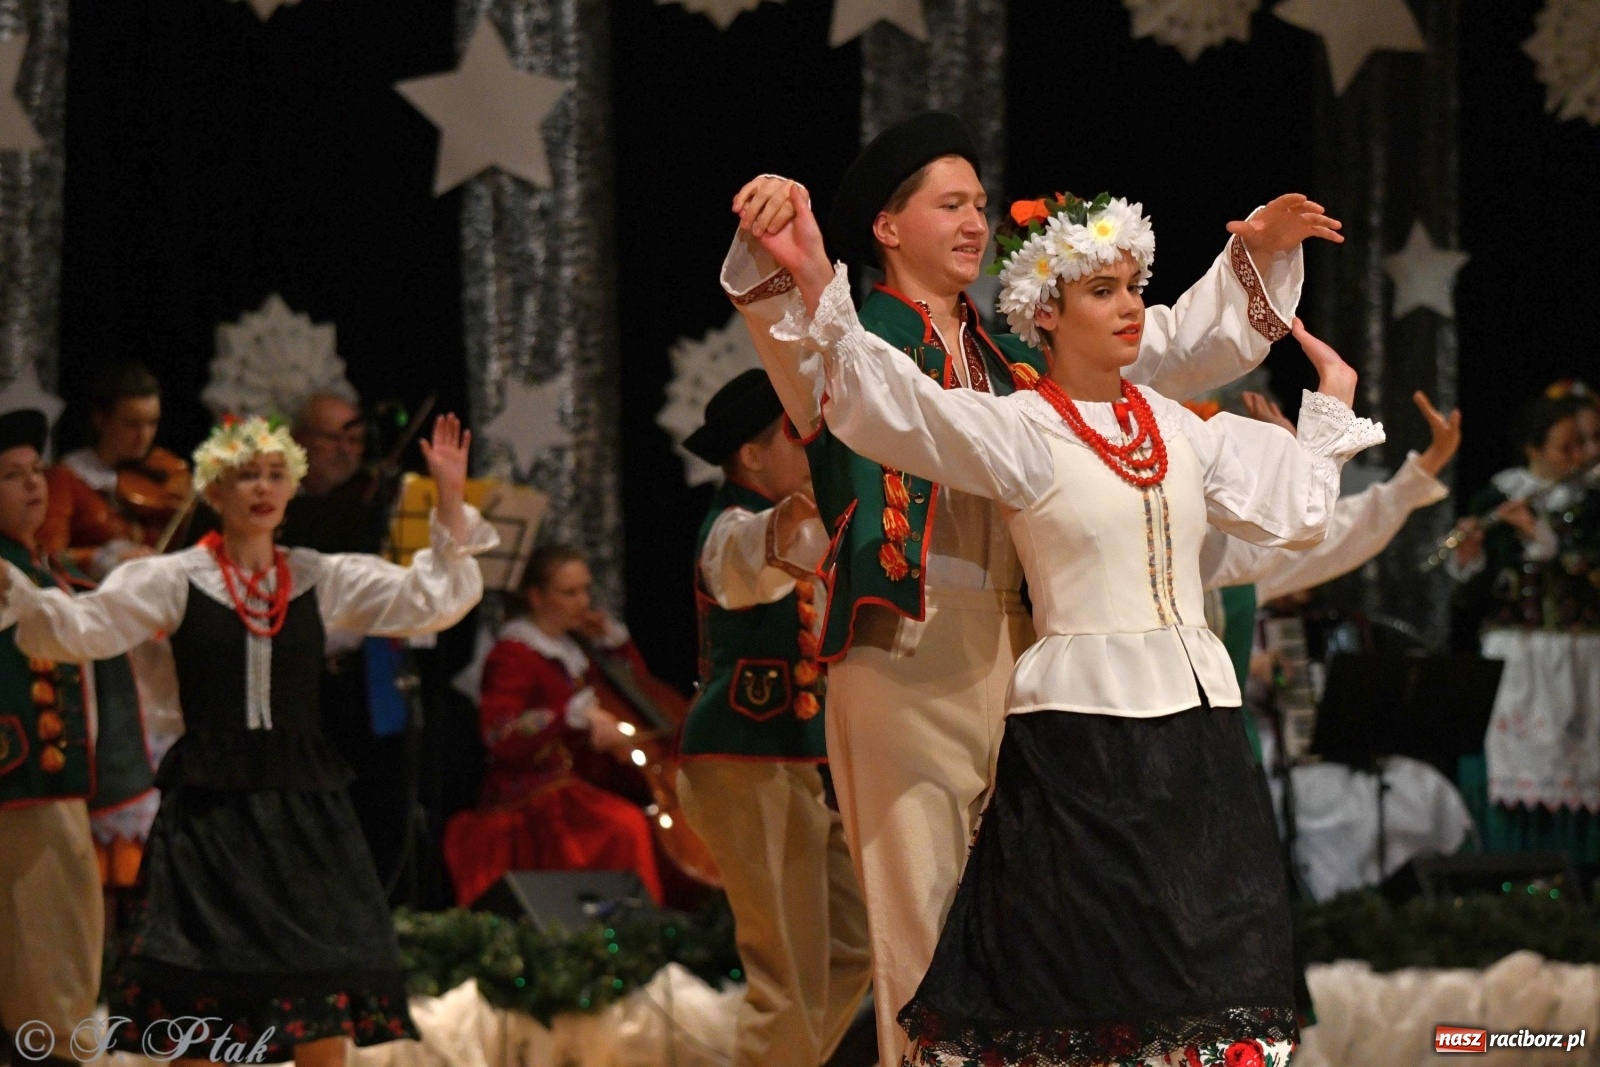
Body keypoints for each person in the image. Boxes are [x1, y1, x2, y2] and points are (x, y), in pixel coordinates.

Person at [725, 112, 1341, 1062]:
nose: (976, 221)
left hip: (1035, 649)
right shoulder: (851, 336)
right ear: (887, 227)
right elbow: (803, 326)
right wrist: (778, 235)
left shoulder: (1015, 353)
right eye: (951, 203)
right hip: (911, 639)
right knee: (927, 931)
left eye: (980, 202)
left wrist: (1248, 262)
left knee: (1037, 937)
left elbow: (1150, 337)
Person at [0, 413, 495, 1067]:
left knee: (320, 994)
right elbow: (81, 626)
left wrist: (451, 497)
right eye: (244, 475)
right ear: (214, 489)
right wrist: (17, 591)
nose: (261, 488)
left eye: (273, 475)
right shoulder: (174, 578)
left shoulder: (321, 575)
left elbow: (432, 597)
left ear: (290, 490)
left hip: (303, 807)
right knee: (198, 1001)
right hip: (211, 809)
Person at [674, 369, 871, 1067]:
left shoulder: (796, 518)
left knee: (858, 944)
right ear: (751, 455)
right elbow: (758, 559)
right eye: (797, 437)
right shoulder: (730, 529)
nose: (810, 449)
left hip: (794, 759)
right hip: (741, 757)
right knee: (786, 974)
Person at [442, 545, 665, 909]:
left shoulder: (574, 646)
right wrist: (567, 717)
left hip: (581, 784)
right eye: (569, 592)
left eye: (585, 590)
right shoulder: (514, 654)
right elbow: (499, 733)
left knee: (640, 816)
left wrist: (615, 643)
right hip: (534, 795)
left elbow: (639, 694)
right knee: (624, 826)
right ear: (536, 596)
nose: (583, 602)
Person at [0, 408, 103, 1067]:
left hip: (46, 786)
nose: (34, 484)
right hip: (21, 790)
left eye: (37, 470)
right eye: (12, 475)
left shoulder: (37, 567)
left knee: (54, 947)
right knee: (46, 968)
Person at [1450, 392, 1597, 635]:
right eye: (1566, 448)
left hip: (1581, 645)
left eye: (1580, 444)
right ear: (1534, 450)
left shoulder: (1590, 501)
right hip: (1514, 646)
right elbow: (1476, 596)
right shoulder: (1494, 499)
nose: (1579, 457)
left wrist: (1538, 532)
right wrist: (1470, 556)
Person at [40, 363, 182, 576]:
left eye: (152, 423)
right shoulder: (66, 478)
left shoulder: (162, 470)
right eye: (132, 425)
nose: (144, 436)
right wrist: (105, 558)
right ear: (101, 421)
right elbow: (48, 557)